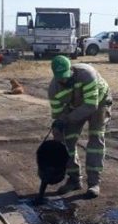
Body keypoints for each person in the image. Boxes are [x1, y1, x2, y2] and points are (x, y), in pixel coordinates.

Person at [48, 55, 112, 198]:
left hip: (99, 102)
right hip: (75, 106)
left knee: (95, 138)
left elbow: (91, 105)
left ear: (71, 69)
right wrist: (58, 131)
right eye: (60, 78)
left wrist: (67, 118)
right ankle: (74, 180)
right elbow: (58, 115)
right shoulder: (54, 90)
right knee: (67, 140)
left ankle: (94, 183)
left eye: (66, 76)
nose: (64, 80)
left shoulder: (86, 74)